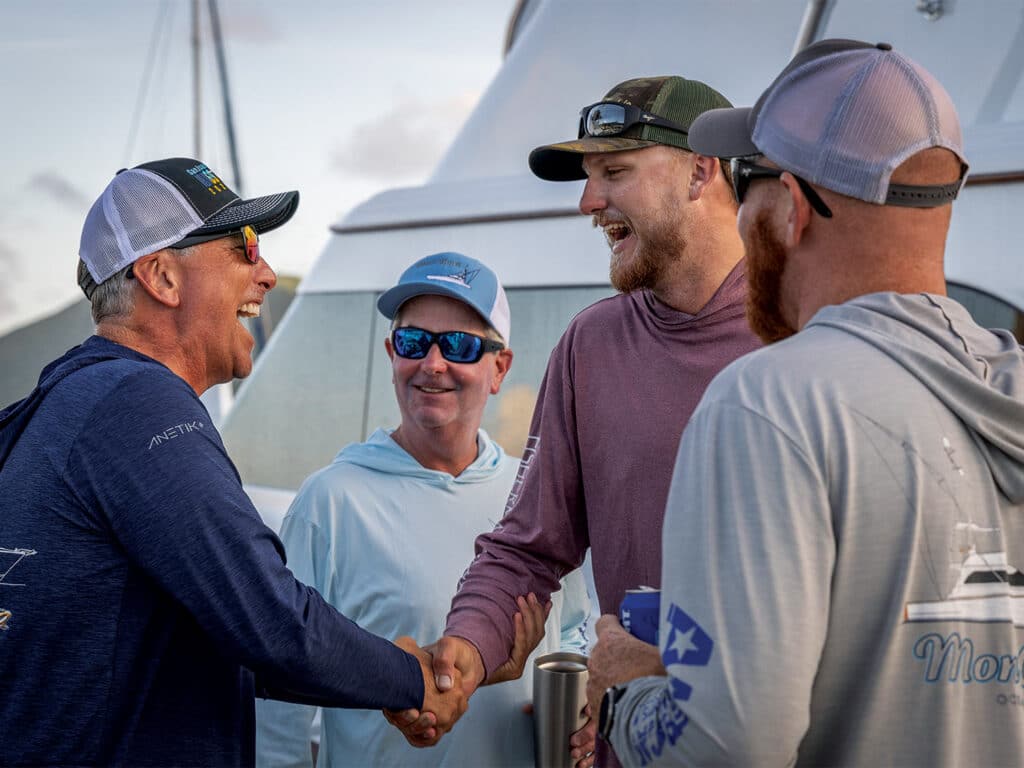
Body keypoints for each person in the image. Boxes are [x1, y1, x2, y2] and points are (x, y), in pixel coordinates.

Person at [591, 39, 1024, 767]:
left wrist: (627, 694)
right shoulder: (1007, 385)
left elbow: (725, 749)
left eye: (745, 185)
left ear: (790, 207)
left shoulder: (769, 402)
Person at [0, 158, 465, 767]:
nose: (267, 272)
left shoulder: (58, 403)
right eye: (244, 247)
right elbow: (270, 621)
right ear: (162, 277)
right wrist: (413, 678)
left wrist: (386, 670)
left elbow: (216, 633)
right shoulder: (136, 404)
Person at [395, 77, 763, 765]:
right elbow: (527, 548)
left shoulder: (796, 333)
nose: (589, 202)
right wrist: (466, 652)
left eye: (615, 172)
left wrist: (667, 659)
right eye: (590, 178)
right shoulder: (589, 344)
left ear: (702, 171)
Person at [254, 251, 592, 767]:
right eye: (415, 342)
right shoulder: (332, 502)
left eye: (459, 345)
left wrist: (583, 703)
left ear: (499, 368)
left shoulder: (533, 493)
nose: (434, 364)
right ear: (393, 353)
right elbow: (280, 707)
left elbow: (574, 631)